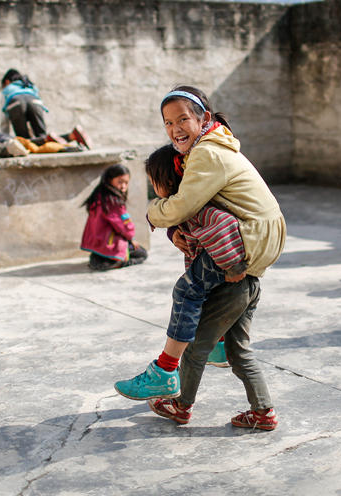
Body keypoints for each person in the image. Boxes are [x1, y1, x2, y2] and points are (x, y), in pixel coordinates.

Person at [114, 86, 285, 431]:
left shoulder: (206, 153)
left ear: (204, 118)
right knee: (239, 350)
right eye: (167, 123)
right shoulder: (209, 147)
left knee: (190, 320)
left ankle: (169, 382)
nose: (175, 128)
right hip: (253, 254)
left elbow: (189, 209)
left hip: (244, 250)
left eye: (183, 119)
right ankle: (262, 409)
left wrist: (153, 212)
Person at [125, 144, 253, 379]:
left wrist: (232, 265)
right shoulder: (181, 206)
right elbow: (177, 216)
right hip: (209, 264)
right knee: (207, 304)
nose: (153, 187)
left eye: (154, 181)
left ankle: (166, 369)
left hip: (220, 265)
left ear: (167, 180)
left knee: (186, 294)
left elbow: (223, 223)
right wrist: (172, 231)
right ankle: (218, 348)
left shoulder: (199, 206)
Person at [0, 69, 92, 149]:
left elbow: (4, 119)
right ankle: (72, 136)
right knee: (41, 135)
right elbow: (37, 107)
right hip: (35, 102)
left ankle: (51, 138)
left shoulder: (8, 89)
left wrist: (5, 138)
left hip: (16, 103)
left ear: (7, 81)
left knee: (24, 141)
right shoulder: (28, 85)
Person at [80, 164, 147, 271]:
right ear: (109, 180)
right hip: (110, 243)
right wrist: (131, 239)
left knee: (103, 254)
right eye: (120, 182)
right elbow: (123, 225)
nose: (124, 186)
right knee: (142, 254)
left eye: (126, 182)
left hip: (98, 242)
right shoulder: (112, 202)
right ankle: (122, 261)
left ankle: (99, 259)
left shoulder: (98, 196)